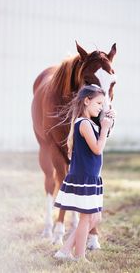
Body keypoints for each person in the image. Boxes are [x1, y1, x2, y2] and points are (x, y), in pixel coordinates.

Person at [54, 84, 115, 262]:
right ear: (86, 101)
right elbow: (97, 148)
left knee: (94, 218)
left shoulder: (89, 124)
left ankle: (64, 251)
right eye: (98, 103)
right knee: (86, 218)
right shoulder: (84, 123)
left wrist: (108, 123)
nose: (100, 107)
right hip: (84, 177)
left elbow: (101, 139)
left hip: (92, 177)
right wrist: (103, 128)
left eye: (102, 104)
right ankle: (80, 257)